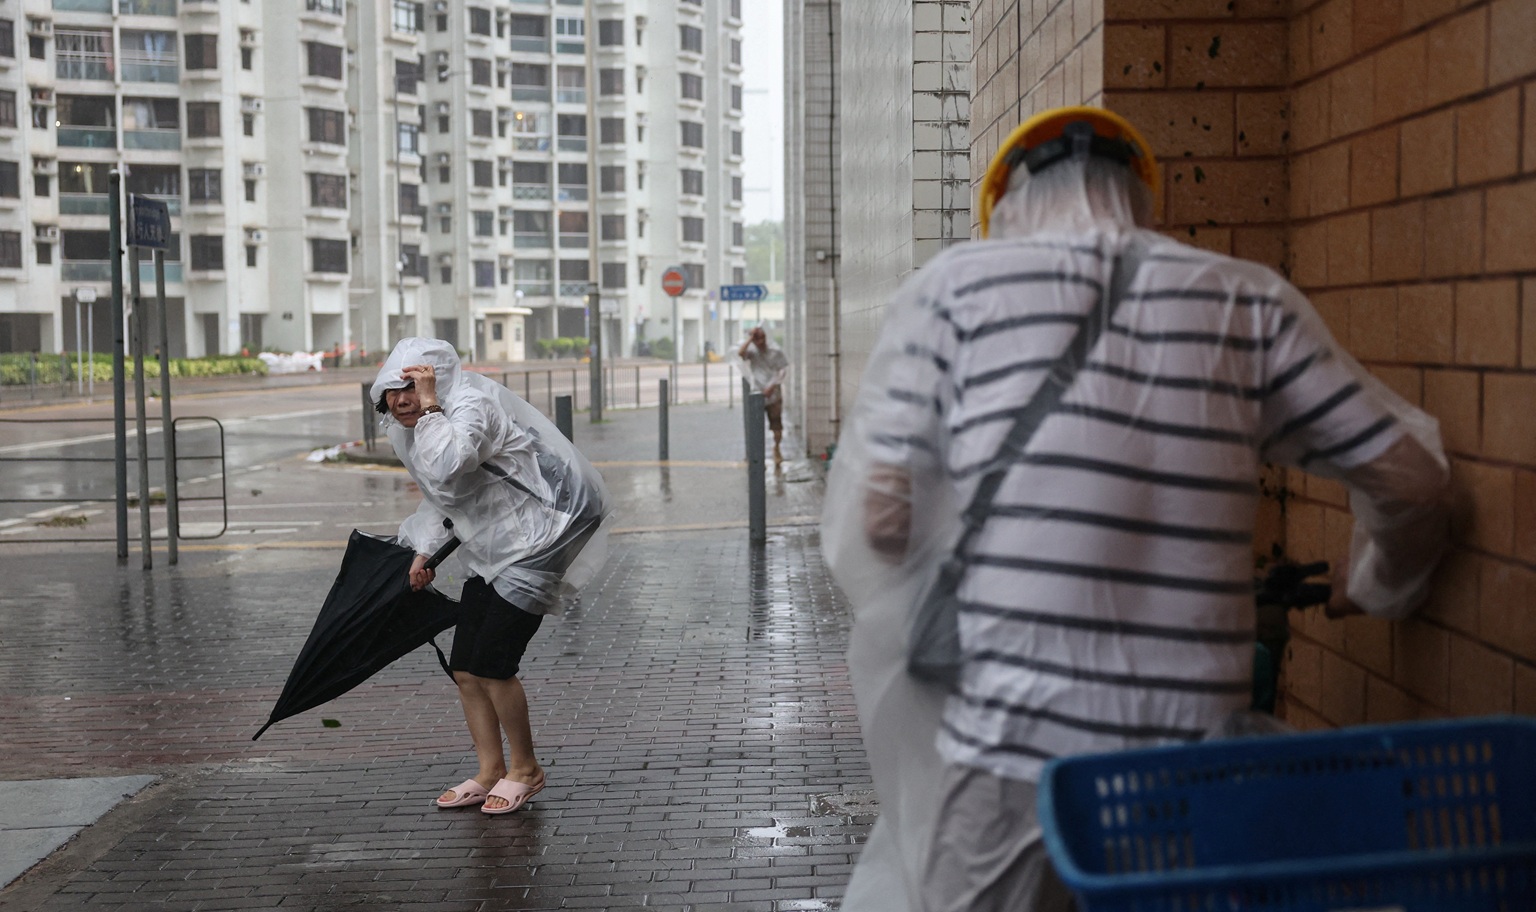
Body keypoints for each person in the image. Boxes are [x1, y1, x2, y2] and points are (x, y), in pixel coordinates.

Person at [821, 106, 1453, 912]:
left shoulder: (952, 290)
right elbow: (1412, 481)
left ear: (1005, 203)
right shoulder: (1245, 301)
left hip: (1006, 745)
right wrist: (1372, 585)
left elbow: (879, 524)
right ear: (1142, 197)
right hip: (1186, 760)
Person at [371, 337, 610, 815]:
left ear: (435, 382)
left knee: (494, 662)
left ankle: (526, 769)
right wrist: (425, 551)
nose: (401, 400)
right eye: (392, 390)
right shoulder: (420, 426)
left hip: (539, 541)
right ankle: (489, 770)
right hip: (491, 547)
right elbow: (445, 496)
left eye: (412, 387)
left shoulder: (470, 407)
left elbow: (449, 461)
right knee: (464, 667)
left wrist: (433, 402)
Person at [737, 326, 790, 463]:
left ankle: (777, 448)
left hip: (774, 395)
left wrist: (773, 386)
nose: (760, 342)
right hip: (757, 394)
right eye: (756, 339)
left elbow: (782, 370)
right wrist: (750, 338)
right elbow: (740, 353)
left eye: (761, 338)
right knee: (756, 425)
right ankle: (755, 456)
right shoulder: (752, 352)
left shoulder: (775, 351)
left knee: (776, 424)